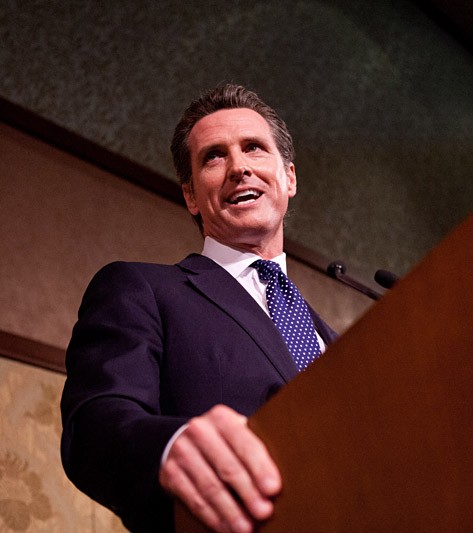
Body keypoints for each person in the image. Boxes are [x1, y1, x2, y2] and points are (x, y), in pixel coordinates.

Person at [60, 84, 337, 532]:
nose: (239, 167)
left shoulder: (331, 337)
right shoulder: (141, 289)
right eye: (214, 157)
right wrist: (170, 446)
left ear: (289, 178)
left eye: (253, 147)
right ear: (190, 196)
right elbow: (94, 424)